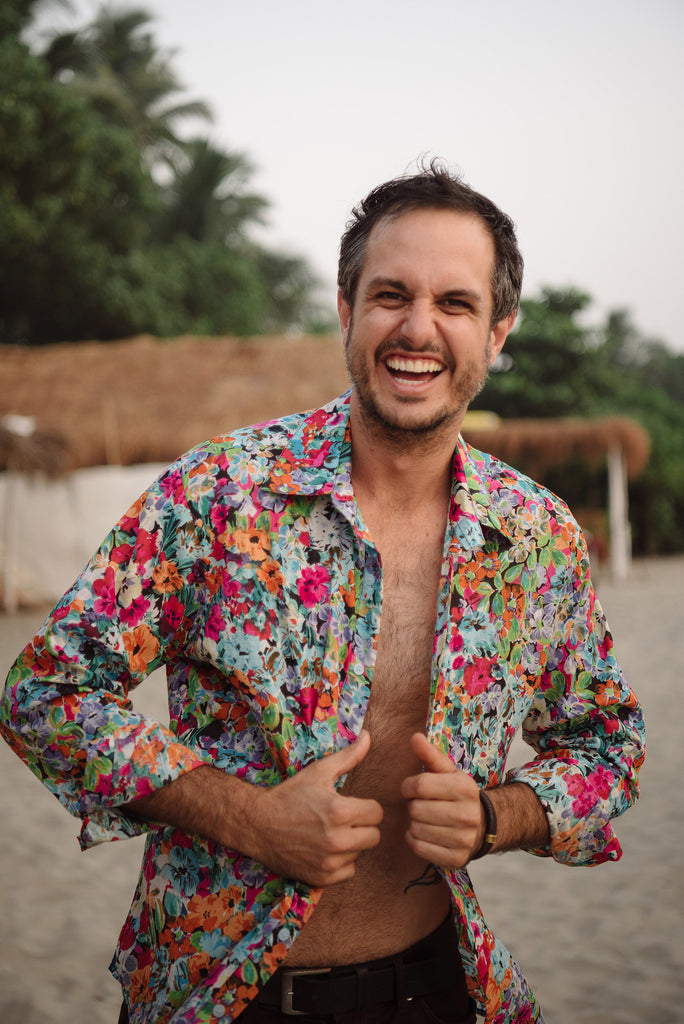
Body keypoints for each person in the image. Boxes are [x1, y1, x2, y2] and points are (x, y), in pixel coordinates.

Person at [0, 161, 645, 1024]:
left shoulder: (535, 537)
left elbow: (609, 744)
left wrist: (503, 815)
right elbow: (44, 692)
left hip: (442, 984)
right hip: (223, 993)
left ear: (497, 333)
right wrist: (245, 818)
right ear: (347, 309)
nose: (417, 329)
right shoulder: (218, 493)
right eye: (390, 295)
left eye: (455, 304)